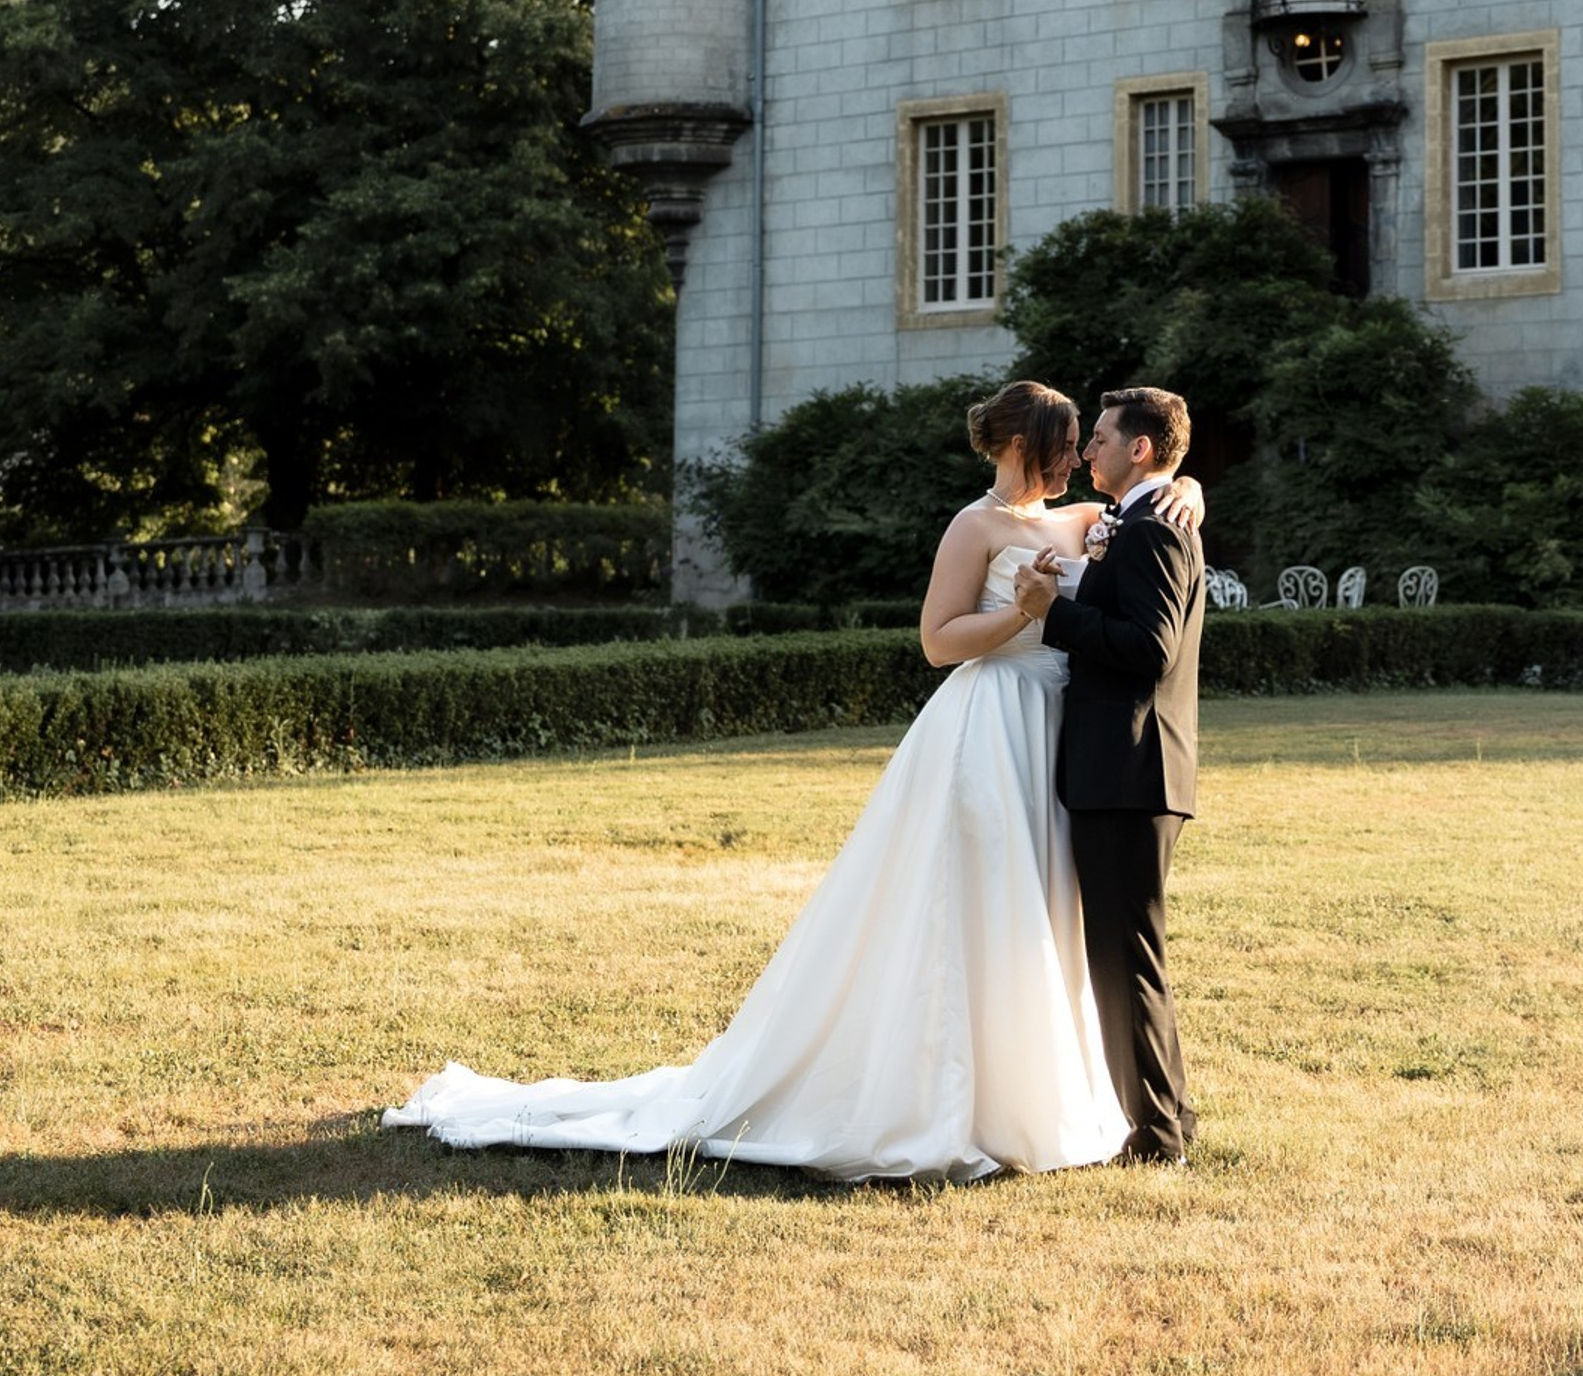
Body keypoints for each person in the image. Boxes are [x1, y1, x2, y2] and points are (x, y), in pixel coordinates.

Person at [382, 381, 1201, 1182]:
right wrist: (1024, 614)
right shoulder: (973, 526)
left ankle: (1045, 1086)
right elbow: (939, 642)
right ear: (1026, 447)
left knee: (1045, 912)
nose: (1076, 462)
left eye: (1086, 447)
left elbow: (1156, 503)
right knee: (971, 900)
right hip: (991, 725)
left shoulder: (1089, 517)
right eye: (1065, 449)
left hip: (1060, 737)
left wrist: (1189, 488)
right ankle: (953, 1095)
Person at [1013, 384, 1204, 1167]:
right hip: (1123, 771)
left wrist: (1049, 612)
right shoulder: (1148, 518)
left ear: (1141, 449)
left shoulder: (1156, 530)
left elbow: (1149, 648)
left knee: (1125, 961)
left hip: (1130, 772)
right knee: (1128, 957)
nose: (1086, 450)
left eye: (1099, 438)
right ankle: (1171, 1120)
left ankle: (1157, 1138)